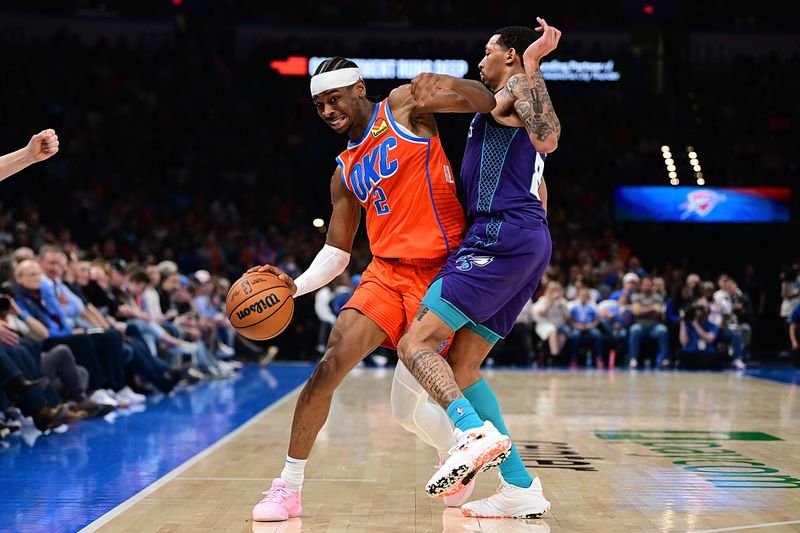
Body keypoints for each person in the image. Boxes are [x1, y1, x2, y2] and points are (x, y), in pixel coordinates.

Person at [248, 56, 496, 522]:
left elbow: (483, 102)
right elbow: (337, 251)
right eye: (319, 104)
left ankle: (459, 454)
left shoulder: (403, 107)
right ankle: (289, 486)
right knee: (329, 363)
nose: (327, 110)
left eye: (334, 98)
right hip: (385, 272)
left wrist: (446, 85)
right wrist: (292, 288)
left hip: (440, 272)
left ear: (359, 88)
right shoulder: (343, 170)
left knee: (405, 409)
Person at [393, 20, 561, 518]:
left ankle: (469, 432)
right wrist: (530, 247)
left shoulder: (511, 92)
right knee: (463, 366)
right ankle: (520, 486)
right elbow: (541, 186)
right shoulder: (500, 107)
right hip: (523, 240)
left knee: (414, 344)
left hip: (498, 236)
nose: (480, 58)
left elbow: (548, 139)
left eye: (488, 50)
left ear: (508, 56)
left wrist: (532, 65)